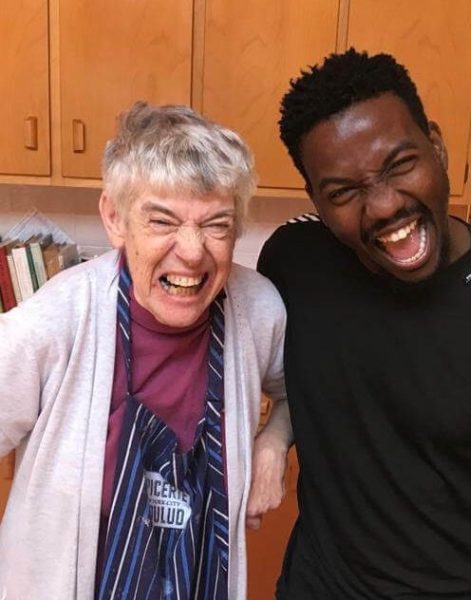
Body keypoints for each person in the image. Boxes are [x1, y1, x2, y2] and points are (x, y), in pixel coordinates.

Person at [257, 48, 471, 599]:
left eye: (400, 166)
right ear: (318, 202)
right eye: (344, 192)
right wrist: (274, 438)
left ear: (437, 147)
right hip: (320, 584)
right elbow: (289, 378)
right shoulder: (295, 260)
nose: (385, 207)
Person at [0, 101, 291, 599]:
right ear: (114, 219)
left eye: (217, 224)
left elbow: (298, 392)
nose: (193, 250)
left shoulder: (257, 308)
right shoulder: (54, 323)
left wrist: (274, 443)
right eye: (162, 221)